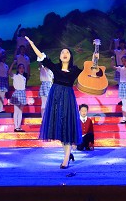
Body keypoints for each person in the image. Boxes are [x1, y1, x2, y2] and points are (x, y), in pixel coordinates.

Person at [25, 36, 83, 169]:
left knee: (67, 127)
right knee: (60, 128)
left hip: (68, 99)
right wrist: (32, 44)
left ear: (70, 56)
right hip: (56, 98)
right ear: (60, 56)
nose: (64, 53)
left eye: (67, 52)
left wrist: (96, 55)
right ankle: (68, 154)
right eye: (62, 52)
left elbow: (90, 71)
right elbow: (42, 57)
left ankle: (66, 159)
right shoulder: (55, 67)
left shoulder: (75, 70)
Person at [9, 62, 27, 132]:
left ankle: (19, 126)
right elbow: (9, 72)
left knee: (20, 111)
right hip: (17, 93)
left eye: (23, 68)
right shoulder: (15, 76)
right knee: (16, 111)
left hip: (22, 93)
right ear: (18, 69)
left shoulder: (24, 78)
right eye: (20, 68)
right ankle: (16, 127)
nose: (21, 69)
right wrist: (13, 63)